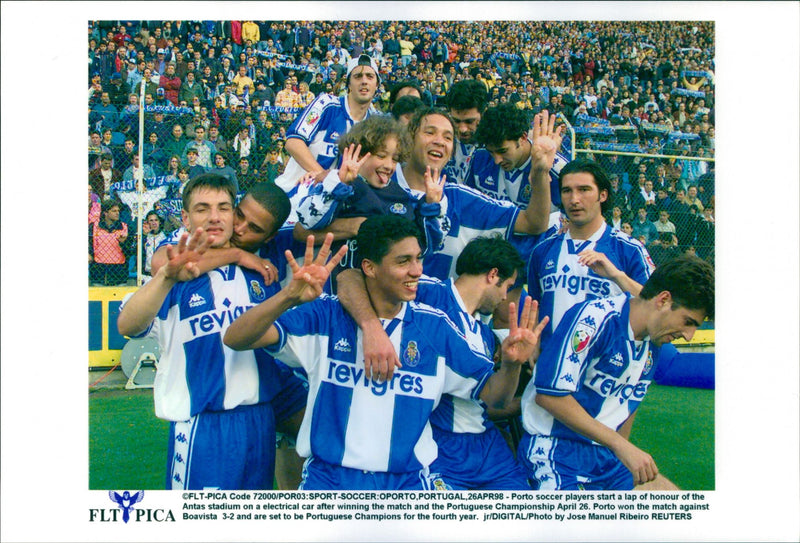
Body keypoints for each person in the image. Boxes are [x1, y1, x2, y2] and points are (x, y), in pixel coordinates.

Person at [223, 215, 544, 490]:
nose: (417, 270)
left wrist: (512, 365)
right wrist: (288, 297)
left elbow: (495, 398)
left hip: (406, 485)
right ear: (370, 268)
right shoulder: (325, 318)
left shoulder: (437, 329)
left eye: (418, 258)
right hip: (330, 482)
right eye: (403, 261)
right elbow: (236, 337)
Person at [337, 235, 545, 489]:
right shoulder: (430, 292)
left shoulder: (486, 335)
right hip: (438, 445)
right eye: (507, 286)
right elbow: (350, 277)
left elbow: (487, 398)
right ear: (492, 275)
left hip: (488, 447)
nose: (505, 298)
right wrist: (371, 328)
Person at [117, 174, 283, 490]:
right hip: (203, 426)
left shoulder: (262, 272)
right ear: (185, 217)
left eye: (223, 207)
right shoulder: (177, 271)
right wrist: (166, 276)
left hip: (259, 421)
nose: (214, 217)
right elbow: (127, 325)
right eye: (202, 209)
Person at [518, 255, 714, 490]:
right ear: (663, 300)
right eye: (688, 321)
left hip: (607, 458)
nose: (690, 335)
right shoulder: (594, 319)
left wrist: (622, 450)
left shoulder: (654, 342)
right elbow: (549, 396)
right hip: (555, 450)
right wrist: (621, 447)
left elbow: (627, 404)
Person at [294, 114, 447, 292]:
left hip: (384, 293)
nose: (389, 165)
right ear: (358, 154)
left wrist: (430, 208)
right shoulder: (340, 186)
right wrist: (338, 185)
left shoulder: (401, 197)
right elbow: (305, 225)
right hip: (338, 289)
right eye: (381, 156)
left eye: (395, 159)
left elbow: (426, 246)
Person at [527, 159, 655, 346]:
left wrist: (618, 277)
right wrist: (533, 344)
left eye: (584, 190)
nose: (574, 199)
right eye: (567, 191)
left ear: (602, 195)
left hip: (605, 367)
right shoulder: (542, 251)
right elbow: (535, 307)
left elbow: (657, 306)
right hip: (551, 365)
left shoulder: (629, 249)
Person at [274, 53, 380, 213]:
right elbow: (293, 142)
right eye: (358, 76)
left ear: (377, 85)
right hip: (294, 196)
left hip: (336, 205)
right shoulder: (326, 104)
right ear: (349, 84)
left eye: (370, 76)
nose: (364, 81)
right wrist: (324, 176)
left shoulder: (375, 123)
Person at [467, 102, 567, 209]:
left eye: (503, 151)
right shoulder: (480, 158)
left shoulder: (558, 172)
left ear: (523, 137)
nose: (497, 160)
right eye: (491, 152)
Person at [442, 79, 488, 183]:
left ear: (483, 113)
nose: (462, 129)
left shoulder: (496, 147)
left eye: (469, 121)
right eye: (456, 121)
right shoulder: (440, 141)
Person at [89, 199, 129, 286]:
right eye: (114, 211)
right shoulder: (93, 226)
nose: (117, 213)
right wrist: (89, 254)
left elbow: (130, 251)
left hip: (118, 269)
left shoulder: (124, 227)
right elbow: (89, 243)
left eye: (118, 211)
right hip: (99, 268)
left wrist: (123, 243)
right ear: (105, 213)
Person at [141, 210, 167, 275]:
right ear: (147, 222)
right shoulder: (143, 236)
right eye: (151, 220)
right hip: (146, 273)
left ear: (159, 222)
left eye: (156, 220)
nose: (154, 223)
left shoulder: (165, 236)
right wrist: (144, 235)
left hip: (162, 272)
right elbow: (134, 250)